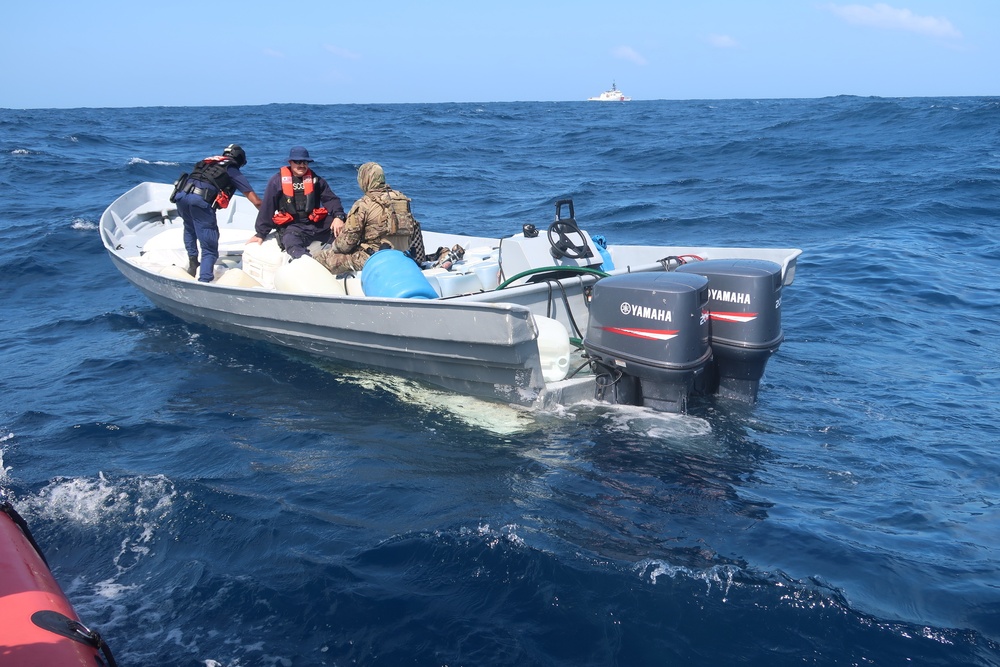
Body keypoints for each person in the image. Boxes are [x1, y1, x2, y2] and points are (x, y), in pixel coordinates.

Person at [313, 162, 426, 275]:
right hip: (402, 255)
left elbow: (345, 245)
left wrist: (335, 246)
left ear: (365, 180)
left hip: (373, 257)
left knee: (319, 258)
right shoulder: (401, 199)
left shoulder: (363, 204)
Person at [172, 144, 262, 282]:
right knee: (209, 246)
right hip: (200, 201)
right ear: (239, 160)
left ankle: (193, 261)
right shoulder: (231, 169)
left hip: (181, 197)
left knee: (189, 227)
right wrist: (268, 216)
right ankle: (204, 280)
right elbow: (255, 200)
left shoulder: (206, 162)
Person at [248, 147, 346, 260]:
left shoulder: (316, 180)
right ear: (290, 162)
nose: (302, 165)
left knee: (349, 224)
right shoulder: (276, 181)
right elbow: (268, 207)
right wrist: (261, 233)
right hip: (293, 226)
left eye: (305, 162)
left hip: (315, 223)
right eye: (298, 162)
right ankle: (307, 262)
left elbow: (331, 199)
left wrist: (338, 216)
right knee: (291, 242)